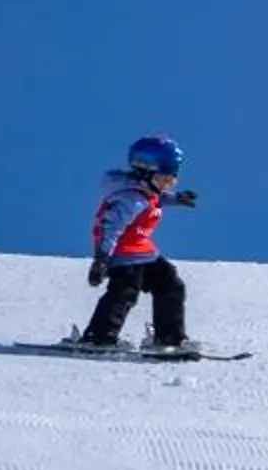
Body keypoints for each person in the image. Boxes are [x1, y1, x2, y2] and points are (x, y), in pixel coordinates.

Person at [73, 135, 200, 353]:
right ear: (146, 170)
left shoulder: (147, 192)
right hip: (122, 254)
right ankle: (99, 337)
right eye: (168, 173)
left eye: (174, 173)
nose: (172, 180)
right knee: (125, 292)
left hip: (143, 251)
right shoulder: (129, 199)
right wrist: (101, 260)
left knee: (171, 284)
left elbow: (157, 198)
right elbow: (108, 228)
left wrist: (177, 199)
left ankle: (169, 338)